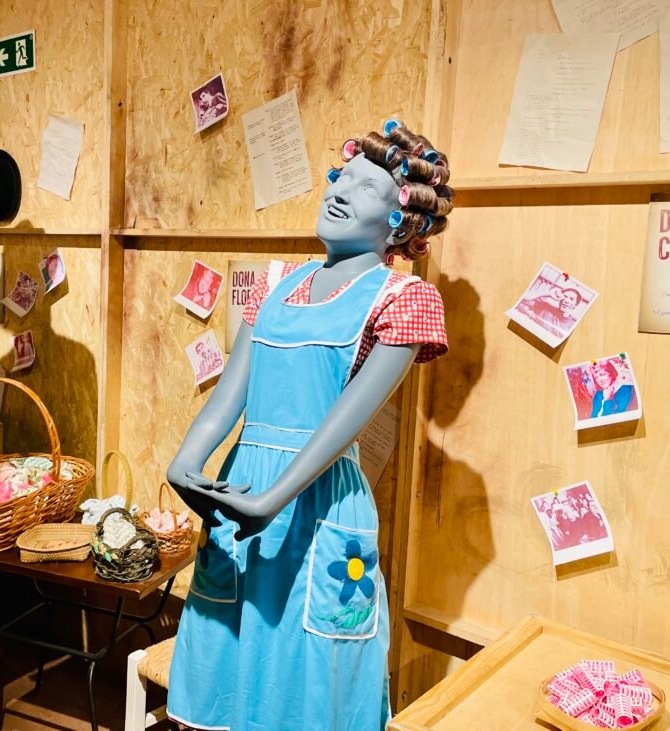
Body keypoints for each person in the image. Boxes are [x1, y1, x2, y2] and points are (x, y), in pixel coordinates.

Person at [165, 120, 452, 730]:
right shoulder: (275, 284)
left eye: (366, 188)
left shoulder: (402, 299)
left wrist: (274, 498)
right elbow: (229, 397)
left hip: (316, 503)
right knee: (230, 656)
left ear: (400, 223)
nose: (340, 191)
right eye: (341, 176)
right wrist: (186, 461)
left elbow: (344, 425)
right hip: (242, 492)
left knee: (310, 675)